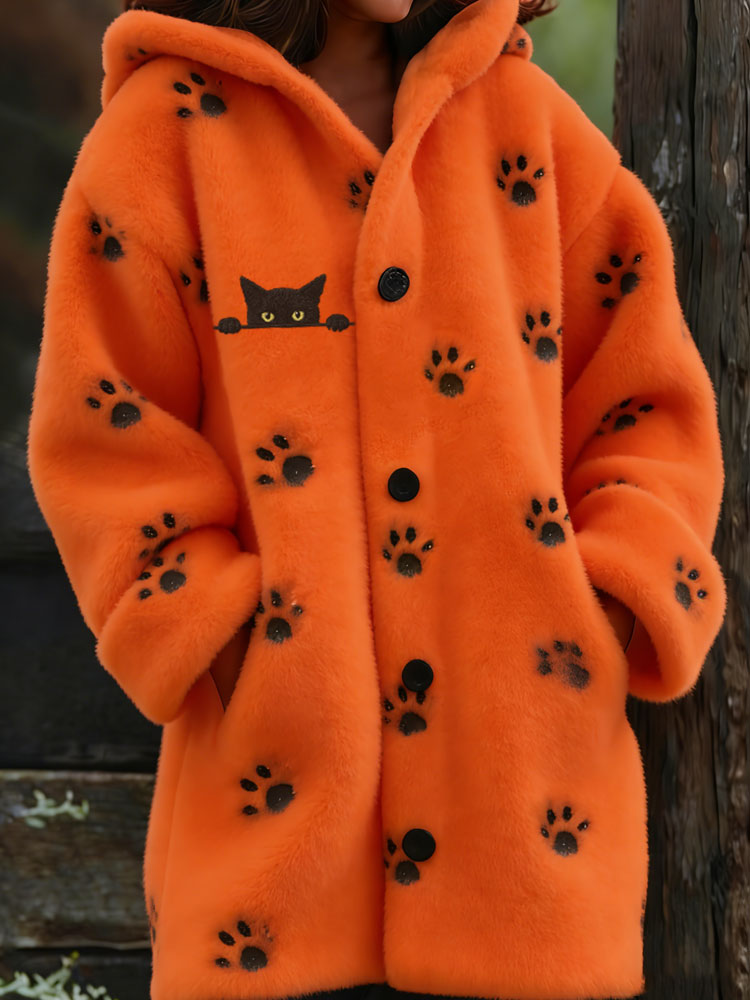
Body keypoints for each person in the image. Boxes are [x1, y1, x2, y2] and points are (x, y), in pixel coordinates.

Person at [26, 0, 728, 998]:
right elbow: (106, 435)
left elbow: (646, 408)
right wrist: (231, 649)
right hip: (275, 860)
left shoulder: (533, 127)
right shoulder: (161, 139)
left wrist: (602, 615)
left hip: (524, 851)